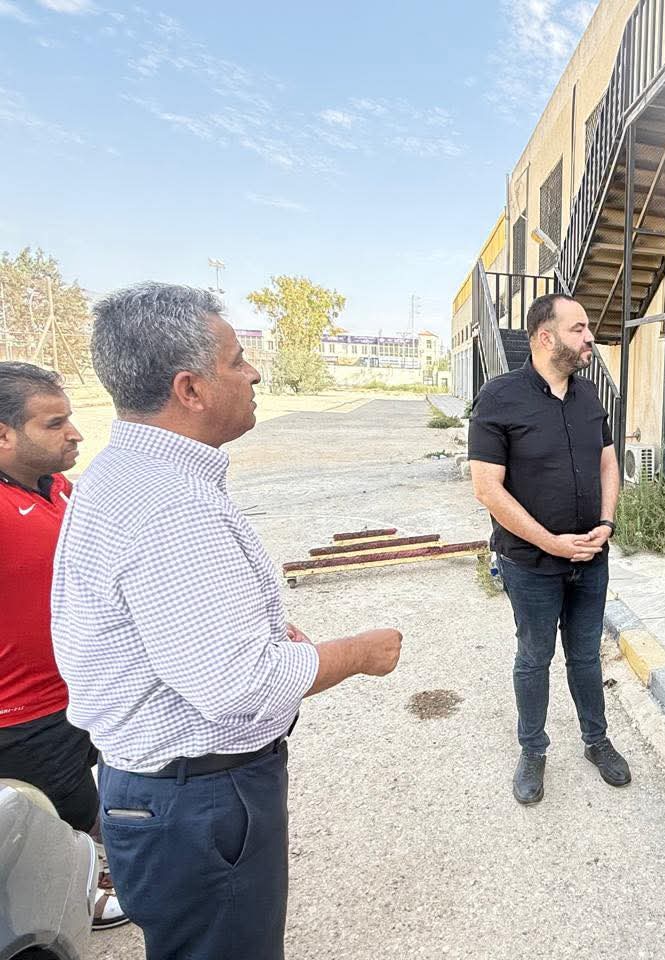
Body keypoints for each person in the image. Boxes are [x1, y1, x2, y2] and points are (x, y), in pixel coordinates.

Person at [50, 283, 403, 960]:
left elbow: (181, 636)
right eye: (238, 361)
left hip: (167, 794)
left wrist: (262, 637)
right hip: (199, 803)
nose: (255, 373)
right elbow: (241, 685)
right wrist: (358, 652)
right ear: (190, 389)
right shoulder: (173, 506)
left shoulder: (126, 474)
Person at [469, 292, 631, 805]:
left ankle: (596, 741)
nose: (589, 337)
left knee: (585, 656)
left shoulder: (589, 396)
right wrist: (551, 543)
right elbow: (487, 489)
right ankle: (533, 749)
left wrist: (606, 522)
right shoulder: (499, 397)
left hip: (591, 558)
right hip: (531, 563)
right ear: (545, 337)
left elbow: (608, 461)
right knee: (534, 658)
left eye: (587, 329)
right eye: (578, 328)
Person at [0, 362, 128, 930]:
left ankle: (103, 871)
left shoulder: (57, 488)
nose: (75, 433)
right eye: (54, 424)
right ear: (4, 434)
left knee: (104, 796)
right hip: (23, 712)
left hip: (82, 686)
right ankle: (79, 900)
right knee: (60, 817)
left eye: (70, 418)